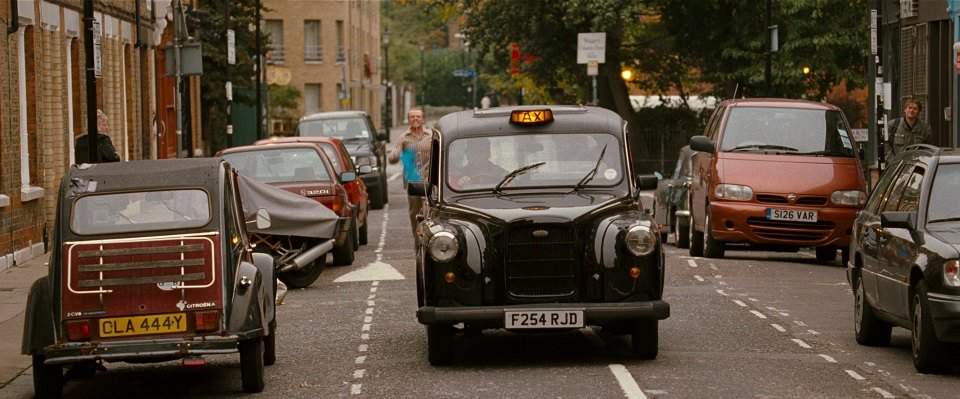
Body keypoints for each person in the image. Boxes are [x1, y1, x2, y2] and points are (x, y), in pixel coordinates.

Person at [388, 108, 432, 237]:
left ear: (423, 119)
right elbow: (393, 156)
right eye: (412, 117)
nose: (415, 119)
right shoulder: (404, 138)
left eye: (418, 116)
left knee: (429, 210)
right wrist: (395, 154)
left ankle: (430, 238)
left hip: (430, 179)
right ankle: (417, 240)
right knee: (415, 213)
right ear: (408, 120)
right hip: (413, 181)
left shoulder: (431, 136)